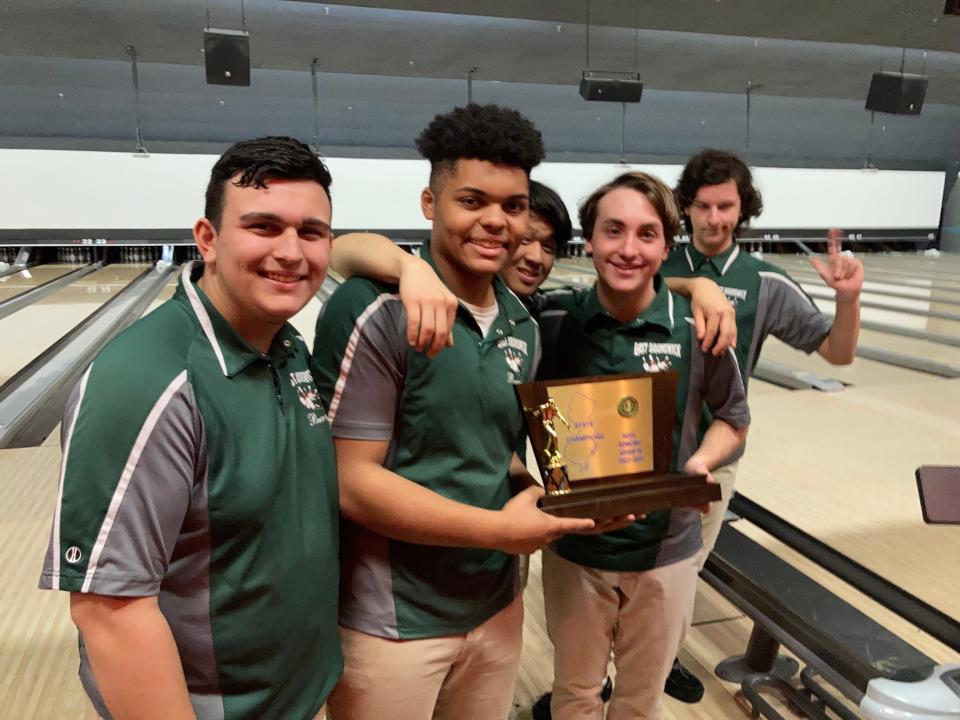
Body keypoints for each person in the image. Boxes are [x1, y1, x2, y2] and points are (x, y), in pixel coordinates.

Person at [311, 104, 625, 720]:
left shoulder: (520, 325)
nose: (495, 222)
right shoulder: (375, 310)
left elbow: (495, 452)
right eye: (472, 200)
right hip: (393, 620)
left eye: (512, 207)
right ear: (431, 203)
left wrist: (559, 503)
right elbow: (350, 482)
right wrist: (500, 533)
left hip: (497, 605)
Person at [38, 136, 342, 719]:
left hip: (294, 694)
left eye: (311, 232)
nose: (291, 252)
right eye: (262, 226)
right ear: (207, 238)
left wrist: (405, 263)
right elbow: (109, 611)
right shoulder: (146, 381)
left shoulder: (287, 345)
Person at [534, 171, 750, 720]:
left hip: (666, 556)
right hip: (575, 550)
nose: (628, 249)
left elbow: (733, 418)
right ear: (589, 240)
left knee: (639, 699)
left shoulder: (699, 328)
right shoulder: (554, 320)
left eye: (647, 234)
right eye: (613, 231)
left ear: (667, 244)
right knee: (576, 692)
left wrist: (699, 463)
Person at [659, 148, 864, 702]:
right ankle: (617, 666)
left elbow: (837, 353)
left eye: (726, 205)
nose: (714, 218)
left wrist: (848, 301)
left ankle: (659, 659)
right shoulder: (656, 260)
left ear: (743, 208)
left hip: (713, 452)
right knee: (621, 570)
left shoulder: (764, 281)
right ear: (687, 207)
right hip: (641, 447)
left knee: (680, 575)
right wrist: (690, 287)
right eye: (702, 206)